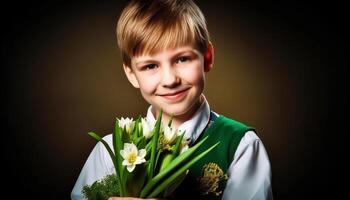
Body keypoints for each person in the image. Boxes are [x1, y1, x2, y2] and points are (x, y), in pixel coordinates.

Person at [71, 0, 273, 199]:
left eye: (183, 59)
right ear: (131, 73)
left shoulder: (241, 145)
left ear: (207, 58)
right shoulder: (112, 150)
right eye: (150, 66)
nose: (169, 80)